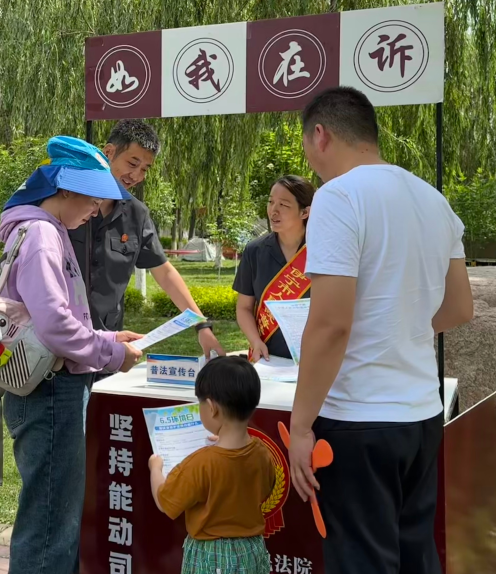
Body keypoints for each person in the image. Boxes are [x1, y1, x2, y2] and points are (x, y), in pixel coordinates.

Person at [287, 88, 474, 574]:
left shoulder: (338, 197)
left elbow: (330, 325)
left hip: (357, 420)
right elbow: (458, 308)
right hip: (422, 416)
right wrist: (401, 324)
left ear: (321, 135)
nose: (311, 162)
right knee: (415, 555)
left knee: (361, 561)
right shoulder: (433, 200)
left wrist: (301, 427)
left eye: (308, 147)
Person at [0, 136, 144, 574]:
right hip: (52, 392)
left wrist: (110, 336)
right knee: (49, 524)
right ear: (65, 190)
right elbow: (56, 327)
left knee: (50, 514)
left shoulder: (39, 229)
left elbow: (60, 314)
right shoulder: (43, 234)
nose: (96, 211)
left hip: (44, 388)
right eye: (94, 199)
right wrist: (111, 355)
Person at [69, 120, 226, 367]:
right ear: (109, 152)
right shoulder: (67, 201)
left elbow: (164, 273)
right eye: (132, 163)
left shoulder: (136, 214)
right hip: (60, 345)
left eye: (145, 169)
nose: (136, 176)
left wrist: (201, 325)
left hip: (108, 348)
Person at [148, 356, 275, 574]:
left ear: (211, 407)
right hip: (251, 551)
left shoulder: (200, 463)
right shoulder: (262, 452)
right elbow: (266, 487)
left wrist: (155, 469)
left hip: (209, 557)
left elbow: (164, 501)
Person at [232, 175, 316, 362]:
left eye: (284, 205)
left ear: (305, 212)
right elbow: (244, 307)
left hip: (316, 358)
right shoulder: (255, 250)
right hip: (269, 357)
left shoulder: (323, 251)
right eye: (271, 202)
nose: (273, 211)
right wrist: (255, 341)